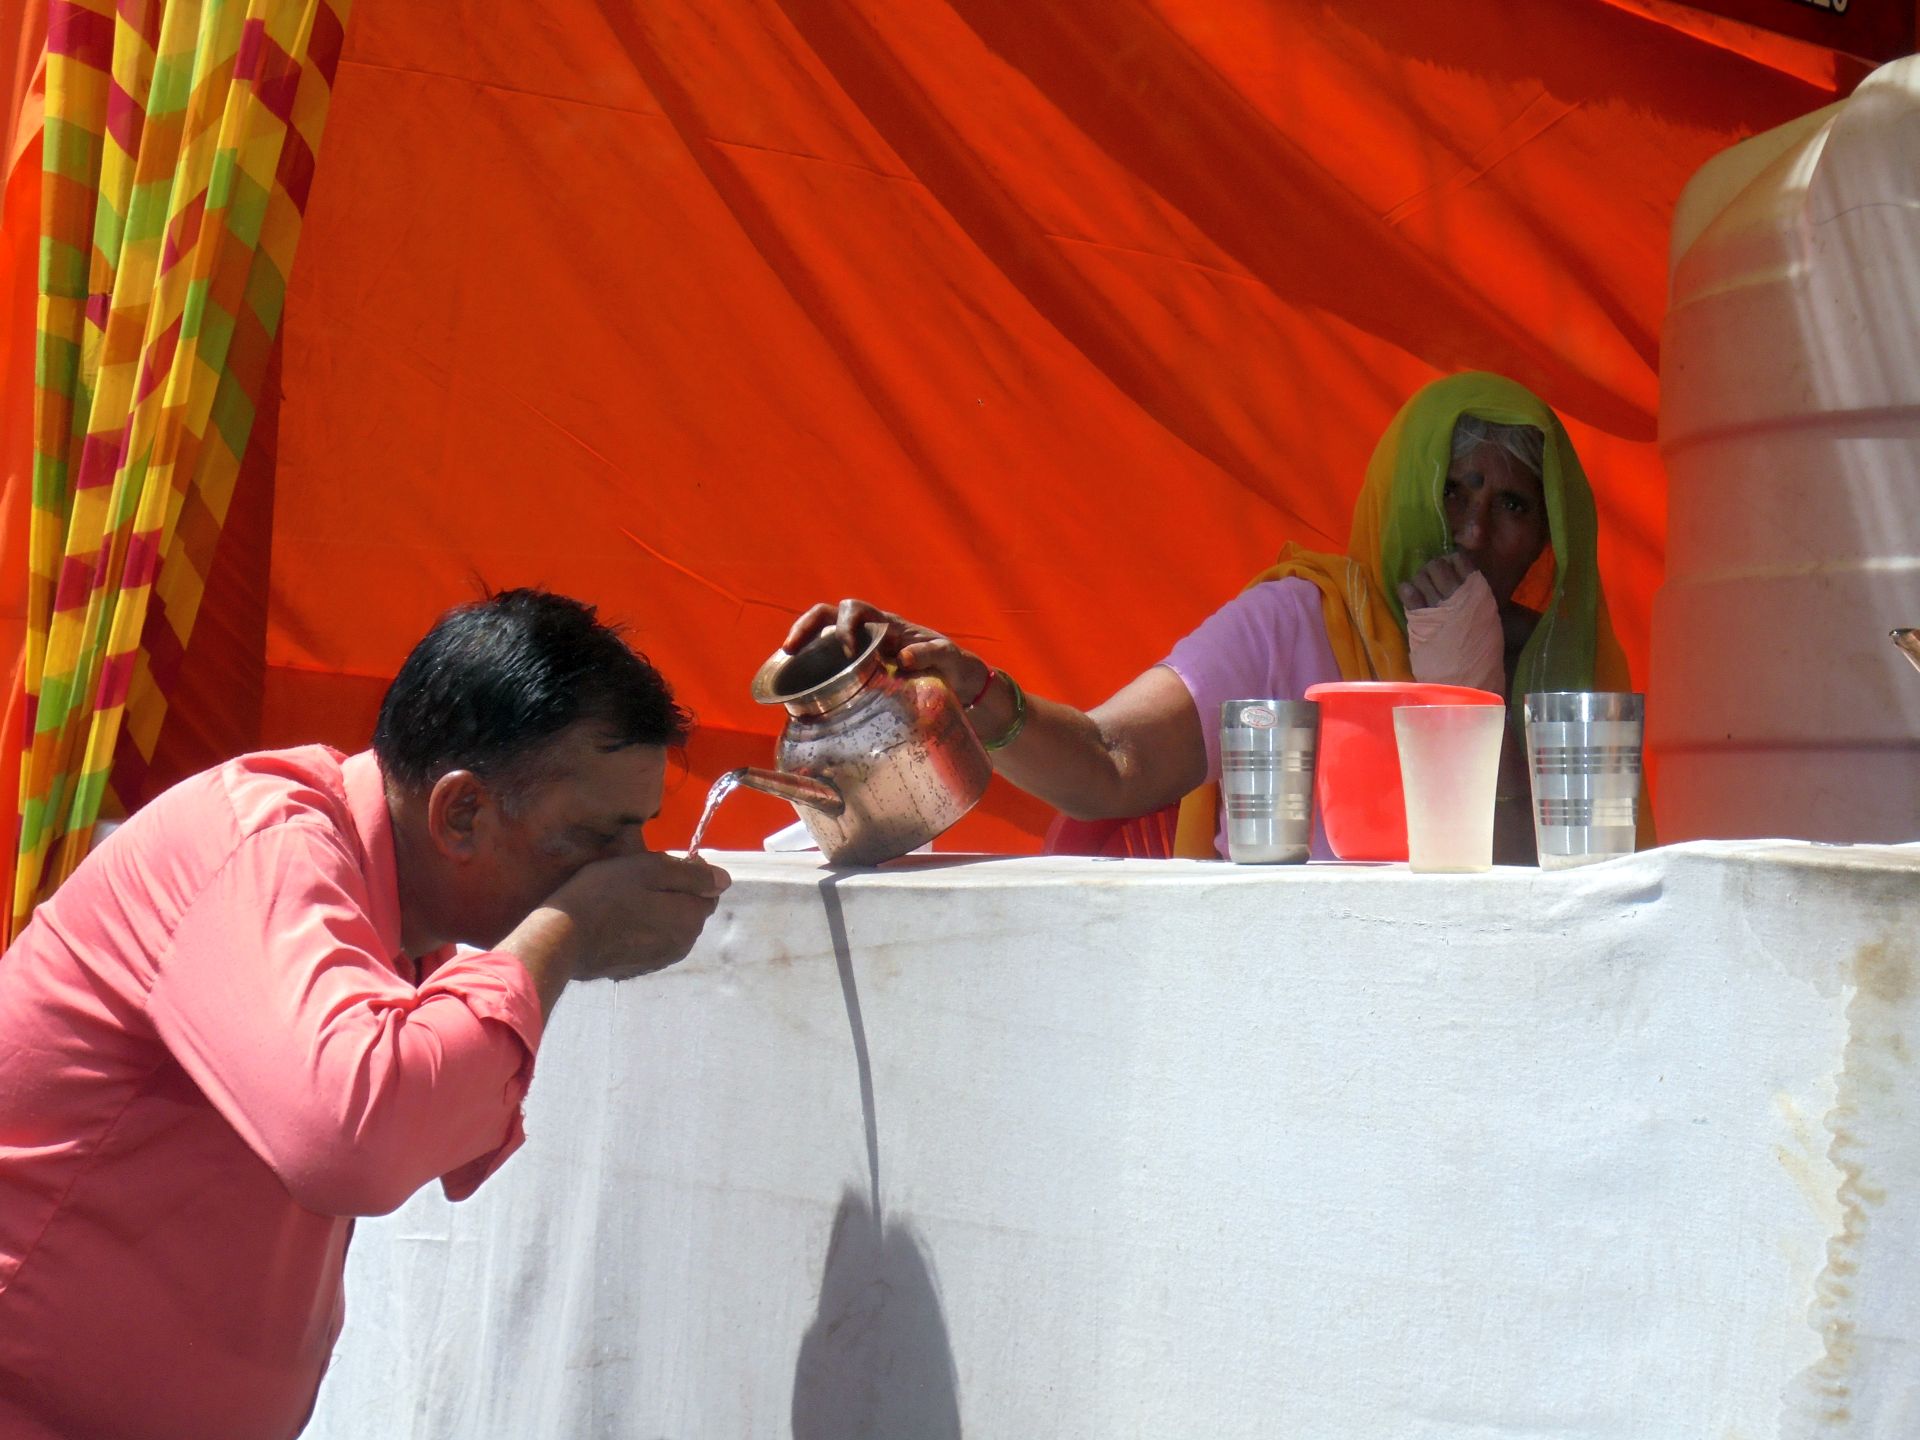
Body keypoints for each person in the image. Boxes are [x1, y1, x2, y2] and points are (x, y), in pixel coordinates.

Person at [0, 588, 731, 1440]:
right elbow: (351, 1137)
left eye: (639, 833)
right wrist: (566, 935)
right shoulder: (262, 840)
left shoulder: (380, 897)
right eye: (598, 838)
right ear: (461, 812)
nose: (625, 869)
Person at [784, 372, 1634, 861]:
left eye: (1513, 505)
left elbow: (1564, 885)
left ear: (1547, 540)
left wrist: (1468, 689)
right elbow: (1109, 763)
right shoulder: (1297, 620)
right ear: (1403, 494)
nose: (1475, 530)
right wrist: (968, 685)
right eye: (1453, 489)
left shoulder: (1561, 671)